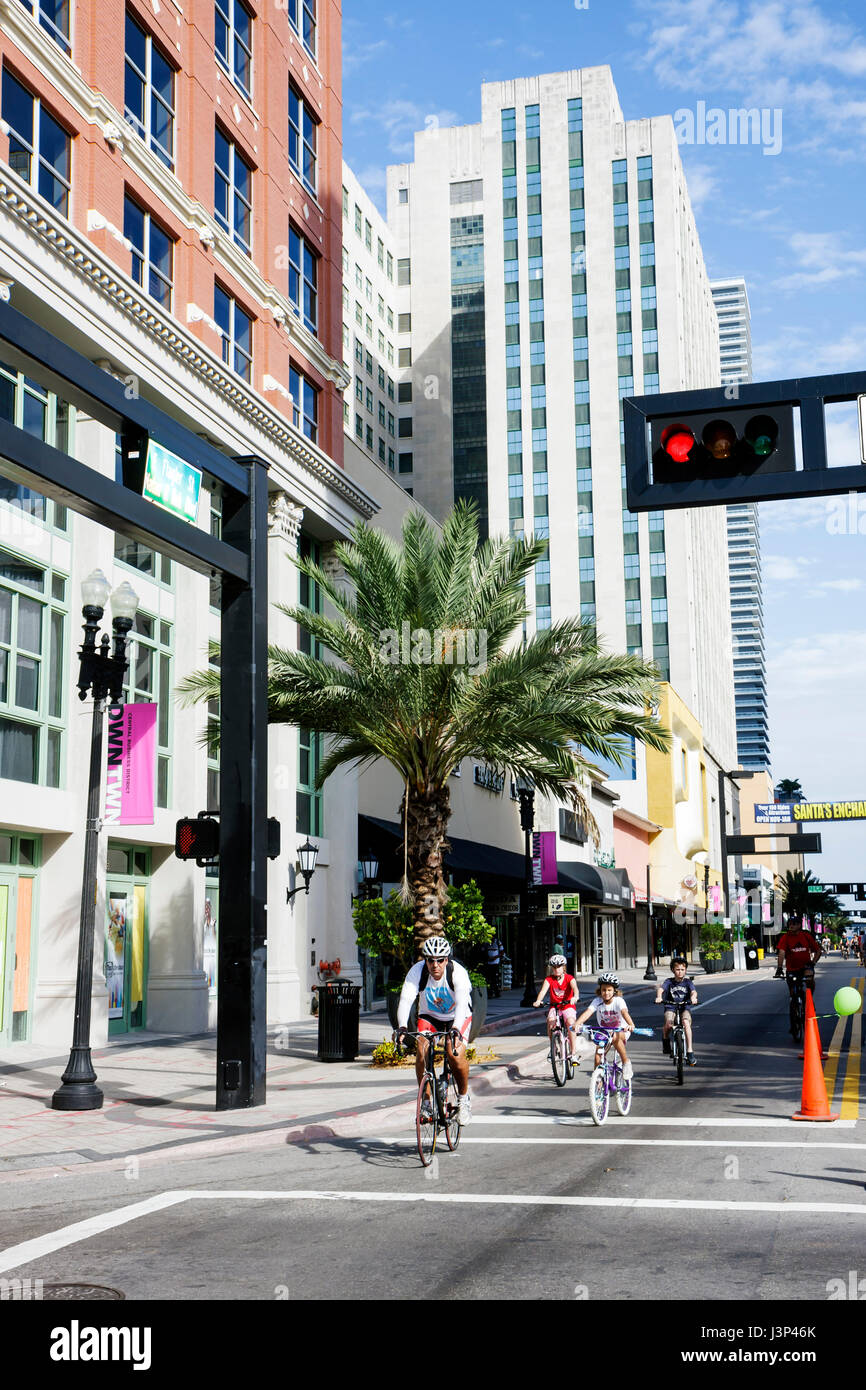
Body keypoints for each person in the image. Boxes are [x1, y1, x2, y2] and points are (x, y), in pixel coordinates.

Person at [395, 936, 473, 1125]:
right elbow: (406, 1000)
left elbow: (462, 1003)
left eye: (440, 960)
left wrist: (455, 1029)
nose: (435, 965)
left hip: (458, 1016)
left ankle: (463, 1100)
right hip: (430, 1017)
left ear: (447, 960)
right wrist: (402, 1027)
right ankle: (427, 1103)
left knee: (454, 1053)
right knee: (421, 1050)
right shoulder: (417, 972)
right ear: (425, 960)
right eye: (430, 960)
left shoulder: (457, 973)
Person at [574, 972, 636, 1079]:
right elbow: (588, 1012)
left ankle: (626, 1063)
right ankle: (597, 1082)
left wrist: (630, 1024)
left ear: (614, 991)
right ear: (600, 990)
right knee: (598, 1055)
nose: (606, 993)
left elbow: (624, 1012)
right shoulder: (597, 1001)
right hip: (605, 1032)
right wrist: (577, 1023)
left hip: (621, 1031)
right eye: (603, 990)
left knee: (615, 1036)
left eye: (609, 990)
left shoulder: (618, 1001)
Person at [533, 954, 580, 1061]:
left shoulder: (569, 978)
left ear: (564, 967)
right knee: (550, 1021)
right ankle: (553, 1048)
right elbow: (543, 991)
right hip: (555, 1006)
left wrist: (575, 997)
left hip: (568, 1005)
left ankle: (573, 1053)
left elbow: (575, 989)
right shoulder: (549, 979)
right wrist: (538, 1000)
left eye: (559, 967)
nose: (556, 969)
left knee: (570, 1023)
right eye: (554, 967)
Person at [655, 955, 698, 1065]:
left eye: (682, 970)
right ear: (673, 970)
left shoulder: (688, 982)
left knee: (686, 1023)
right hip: (671, 1006)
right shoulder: (669, 981)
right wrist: (659, 996)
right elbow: (661, 989)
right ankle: (665, 1040)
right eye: (677, 969)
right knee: (669, 1024)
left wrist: (693, 998)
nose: (680, 972)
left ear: (685, 970)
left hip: (684, 1007)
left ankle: (690, 1051)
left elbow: (693, 991)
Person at [775, 915, 822, 999]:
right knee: (792, 994)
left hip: (806, 967)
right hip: (791, 969)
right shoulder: (785, 937)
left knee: (809, 979)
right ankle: (794, 1006)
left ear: (799, 925)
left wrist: (813, 963)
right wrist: (779, 968)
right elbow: (781, 952)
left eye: (794, 924)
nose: (791, 926)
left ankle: (810, 999)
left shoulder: (806, 936)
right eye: (789, 924)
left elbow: (818, 951)